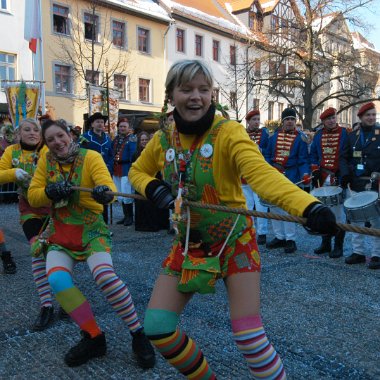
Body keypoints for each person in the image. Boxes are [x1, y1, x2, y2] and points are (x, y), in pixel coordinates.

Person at [129, 59, 336, 379]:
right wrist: (152, 187)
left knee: (249, 339)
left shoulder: (228, 133)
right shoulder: (163, 138)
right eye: (186, 89)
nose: (196, 96)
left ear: (212, 94)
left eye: (203, 89)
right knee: (158, 328)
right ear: (171, 95)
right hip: (188, 242)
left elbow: (262, 175)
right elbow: (137, 171)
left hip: (233, 240)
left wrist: (308, 208)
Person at [28, 119, 155, 367]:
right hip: (61, 231)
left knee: (105, 277)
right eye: (51, 139)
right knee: (57, 279)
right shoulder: (46, 161)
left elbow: (107, 190)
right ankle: (93, 336)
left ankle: (138, 334)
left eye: (60, 136)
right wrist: (49, 192)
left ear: (70, 135)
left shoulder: (91, 157)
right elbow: (34, 195)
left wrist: (101, 193)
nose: (57, 142)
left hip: (90, 230)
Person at [0, 118, 55, 330]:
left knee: (57, 253)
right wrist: (13, 173)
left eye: (36, 130)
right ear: (18, 134)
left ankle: (66, 298)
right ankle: (46, 305)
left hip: (54, 208)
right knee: (37, 249)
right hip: (29, 209)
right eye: (27, 129)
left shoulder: (47, 150)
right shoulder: (11, 152)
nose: (33, 133)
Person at [264, 108, 311, 254]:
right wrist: (269, 169)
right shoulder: (273, 138)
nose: (290, 122)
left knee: (288, 209)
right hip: (274, 176)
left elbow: (303, 160)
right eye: (287, 119)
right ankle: (279, 236)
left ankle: (290, 239)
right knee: (274, 207)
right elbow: (267, 156)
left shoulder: (301, 138)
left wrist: (305, 174)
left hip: (292, 176)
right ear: (282, 121)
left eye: (292, 119)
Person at [340, 102, 380, 269]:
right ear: (361, 117)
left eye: (373, 115)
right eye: (367, 115)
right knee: (356, 220)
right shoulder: (352, 135)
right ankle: (358, 252)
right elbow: (343, 157)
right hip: (356, 183)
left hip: (376, 183)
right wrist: (345, 175)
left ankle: (377, 254)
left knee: (376, 220)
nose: (371, 118)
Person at [310, 107, 348, 258]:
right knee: (323, 212)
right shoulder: (318, 135)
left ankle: (338, 245)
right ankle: (325, 243)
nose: (332, 121)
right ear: (323, 121)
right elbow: (313, 154)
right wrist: (314, 169)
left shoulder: (345, 133)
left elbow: (347, 155)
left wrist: (344, 172)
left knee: (338, 214)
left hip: (337, 177)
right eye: (328, 119)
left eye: (333, 118)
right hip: (322, 177)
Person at [241, 110, 269, 245]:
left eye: (258, 119)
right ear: (248, 121)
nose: (257, 122)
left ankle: (262, 233)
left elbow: (268, 151)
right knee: (246, 205)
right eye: (254, 120)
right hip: (244, 175)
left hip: (258, 175)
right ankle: (248, 230)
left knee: (261, 206)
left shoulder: (264, 134)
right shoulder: (242, 133)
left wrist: (259, 150)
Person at [133, 131, 169, 232]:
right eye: (142, 140)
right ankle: (143, 225)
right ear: (139, 142)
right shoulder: (135, 153)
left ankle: (157, 224)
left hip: (155, 179)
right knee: (142, 204)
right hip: (141, 181)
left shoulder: (154, 151)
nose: (144, 142)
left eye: (146, 140)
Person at [81, 112, 113, 225]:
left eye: (102, 122)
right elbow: (81, 154)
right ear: (92, 124)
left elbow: (111, 155)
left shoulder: (107, 138)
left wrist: (109, 166)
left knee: (104, 197)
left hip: (105, 173)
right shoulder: (85, 138)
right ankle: (91, 224)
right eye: (97, 122)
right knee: (92, 198)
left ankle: (104, 225)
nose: (100, 124)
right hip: (90, 173)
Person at [112, 117, 137, 226]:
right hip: (116, 169)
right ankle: (125, 216)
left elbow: (133, 154)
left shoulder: (132, 138)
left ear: (128, 128)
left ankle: (130, 217)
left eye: (124, 127)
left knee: (127, 193)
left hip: (126, 169)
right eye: (120, 126)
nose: (122, 128)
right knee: (120, 194)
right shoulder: (116, 139)